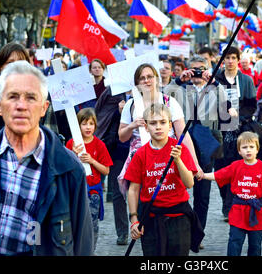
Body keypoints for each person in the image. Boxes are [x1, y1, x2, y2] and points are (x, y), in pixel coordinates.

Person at [0, 61, 94, 255]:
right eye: (13, 96)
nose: (21, 106)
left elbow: (83, 243)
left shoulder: (69, 169)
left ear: (43, 108)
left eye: (31, 98)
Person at [171, 55, 237, 245]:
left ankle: (197, 235)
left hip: (207, 144)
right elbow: (163, 98)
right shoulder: (181, 88)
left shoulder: (215, 88)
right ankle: (179, 231)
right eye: (194, 69)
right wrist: (178, 80)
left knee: (202, 194)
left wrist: (215, 82)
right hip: (182, 144)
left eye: (201, 68)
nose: (198, 73)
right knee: (178, 189)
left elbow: (227, 107)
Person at [125, 103, 203, 256]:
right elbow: (133, 189)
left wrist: (178, 161)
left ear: (170, 125)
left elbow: (189, 183)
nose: (158, 127)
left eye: (163, 122)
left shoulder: (180, 149)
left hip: (178, 217)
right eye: (153, 123)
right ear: (146, 127)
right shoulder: (140, 154)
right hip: (151, 217)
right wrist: (134, 219)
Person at [118, 63, 202, 192]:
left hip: (166, 156)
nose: (146, 80)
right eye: (142, 78)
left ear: (156, 79)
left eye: (150, 76)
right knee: (141, 196)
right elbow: (122, 137)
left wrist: (195, 163)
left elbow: (182, 135)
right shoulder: (131, 104)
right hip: (140, 159)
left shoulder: (169, 102)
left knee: (169, 191)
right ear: (137, 83)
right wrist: (132, 126)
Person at [0, 42, 58, 146]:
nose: (16, 67)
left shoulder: (40, 93)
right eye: (10, 62)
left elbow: (51, 137)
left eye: (21, 62)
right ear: (0, 67)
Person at [201, 131, 262, 256]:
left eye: (251, 147)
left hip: (256, 210)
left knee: (255, 244)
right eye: (244, 147)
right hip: (238, 210)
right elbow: (219, 175)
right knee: (234, 242)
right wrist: (203, 175)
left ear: (257, 149)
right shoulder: (235, 166)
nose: (248, 150)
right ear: (239, 151)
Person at [214, 46, 257, 221]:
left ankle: (231, 204)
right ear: (223, 59)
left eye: (233, 57)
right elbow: (209, 103)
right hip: (219, 129)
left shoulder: (246, 80)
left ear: (238, 60)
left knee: (237, 167)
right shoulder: (216, 79)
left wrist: (240, 115)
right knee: (220, 168)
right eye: (227, 57)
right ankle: (226, 198)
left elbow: (251, 105)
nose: (230, 61)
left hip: (239, 130)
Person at [66, 108, 113, 252]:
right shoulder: (71, 144)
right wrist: (73, 154)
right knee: (74, 224)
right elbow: (65, 167)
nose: (88, 127)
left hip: (93, 192)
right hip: (75, 191)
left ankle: (89, 251)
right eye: (84, 124)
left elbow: (106, 170)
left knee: (92, 226)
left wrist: (92, 161)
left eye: (91, 124)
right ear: (78, 126)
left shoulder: (99, 145)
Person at [94, 87, 130, 245]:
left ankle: (143, 227)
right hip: (118, 150)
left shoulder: (147, 93)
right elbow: (103, 115)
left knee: (142, 190)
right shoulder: (114, 93)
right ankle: (122, 232)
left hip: (140, 149)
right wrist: (119, 111)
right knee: (118, 192)